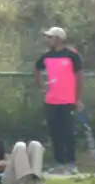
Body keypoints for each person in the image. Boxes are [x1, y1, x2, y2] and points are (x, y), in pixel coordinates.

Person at [35, 27, 85, 175]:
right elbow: (36, 69)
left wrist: (77, 99)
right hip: (51, 101)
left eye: (50, 37)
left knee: (68, 133)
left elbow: (79, 78)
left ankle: (70, 164)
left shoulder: (72, 55)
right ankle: (58, 163)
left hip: (68, 100)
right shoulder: (47, 56)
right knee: (54, 133)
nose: (48, 40)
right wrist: (42, 86)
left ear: (59, 39)